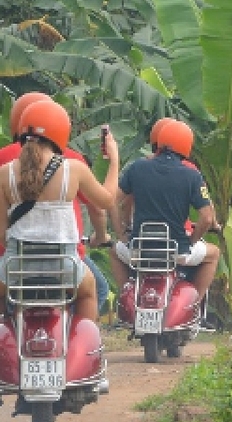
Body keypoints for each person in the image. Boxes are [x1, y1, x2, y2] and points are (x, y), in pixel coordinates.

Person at [0, 101, 119, 321]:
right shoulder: (73, 169)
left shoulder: (4, 173)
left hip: (16, 267)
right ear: (60, 132)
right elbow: (106, 201)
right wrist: (114, 161)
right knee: (88, 292)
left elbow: (2, 235)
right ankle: (81, 349)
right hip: (64, 267)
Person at [110, 120, 219, 301]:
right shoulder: (192, 175)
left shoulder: (137, 167)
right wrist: (191, 241)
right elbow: (207, 218)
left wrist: (121, 233)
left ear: (158, 142)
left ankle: (126, 298)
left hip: (140, 248)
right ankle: (194, 304)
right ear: (187, 146)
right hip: (176, 251)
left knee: (114, 251)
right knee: (213, 254)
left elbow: (111, 201)